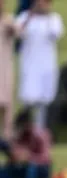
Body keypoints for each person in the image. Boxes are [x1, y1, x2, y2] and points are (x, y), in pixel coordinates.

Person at [15, 0, 64, 128]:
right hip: (29, 65)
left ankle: (40, 132)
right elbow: (18, 33)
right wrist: (31, 15)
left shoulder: (54, 19)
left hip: (46, 66)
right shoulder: (24, 16)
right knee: (28, 100)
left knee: (44, 102)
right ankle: (25, 131)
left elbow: (56, 33)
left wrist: (46, 15)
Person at [1, 108, 51, 178]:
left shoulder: (40, 134)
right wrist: (14, 158)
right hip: (24, 167)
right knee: (5, 169)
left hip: (42, 169)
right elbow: (15, 153)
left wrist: (29, 157)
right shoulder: (20, 136)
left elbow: (46, 158)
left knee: (31, 168)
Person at [0, 0, 15, 137]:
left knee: (6, 103)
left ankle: (7, 136)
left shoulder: (8, 20)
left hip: (4, 67)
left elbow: (17, 32)